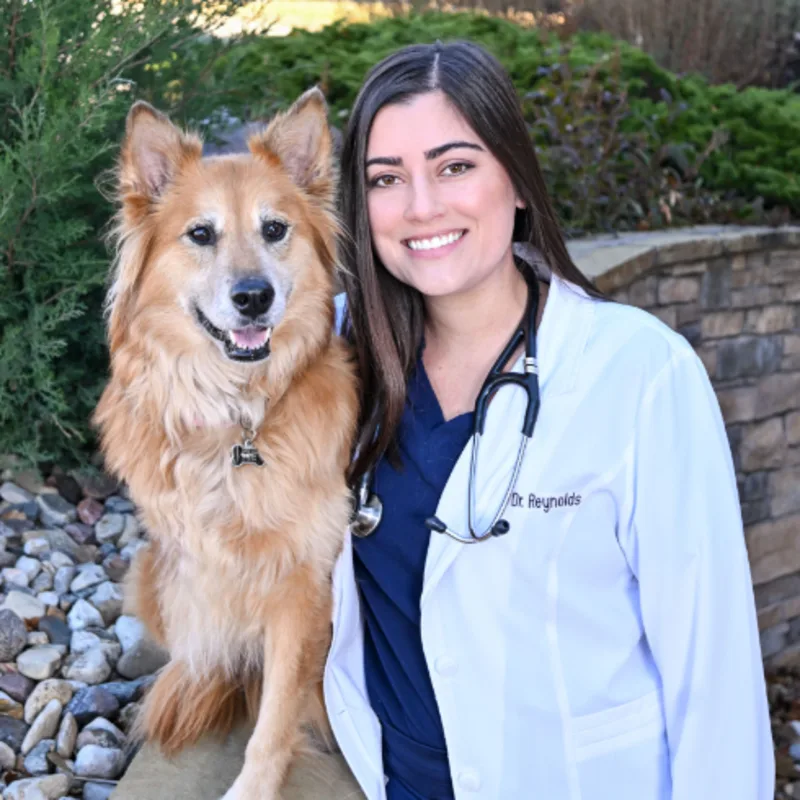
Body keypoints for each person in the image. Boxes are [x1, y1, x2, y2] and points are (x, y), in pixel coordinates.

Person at [113, 40, 773, 800]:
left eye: (455, 166)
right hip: (366, 764)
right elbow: (172, 373)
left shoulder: (642, 376)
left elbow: (714, 675)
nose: (422, 206)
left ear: (518, 181)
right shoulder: (318, 357)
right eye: (387, 179)